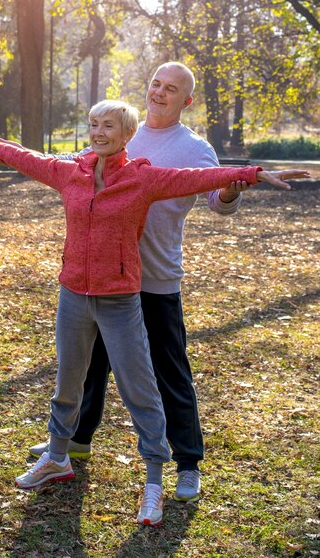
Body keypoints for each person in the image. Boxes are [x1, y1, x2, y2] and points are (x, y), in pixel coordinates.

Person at [0, 100, 307, 526]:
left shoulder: (142, 178)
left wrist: (251, 174)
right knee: (68, 382)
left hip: (120, 301)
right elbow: (24, 157)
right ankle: (58, 458)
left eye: (107, 125)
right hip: (73, 295)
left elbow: (199, 177)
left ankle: (153, 483)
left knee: (140, 391)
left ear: (127, 134)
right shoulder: (70, 171)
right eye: (93, 124)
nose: (98, 132)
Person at [27, 62, 296, 503]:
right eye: (155, 84)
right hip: (102, 279)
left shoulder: (194, 148)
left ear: (185, 100)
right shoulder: (123, 129)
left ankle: (188, 462)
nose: (159, 93)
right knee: (90, 365)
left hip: (155, 276)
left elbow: (217, 201)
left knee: (168, 371)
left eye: (171, 89)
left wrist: (232, 187)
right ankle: (74, 441)